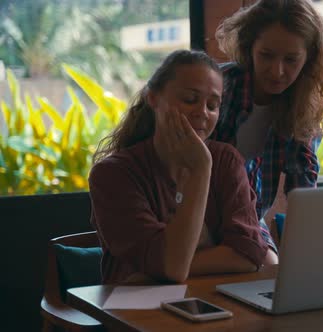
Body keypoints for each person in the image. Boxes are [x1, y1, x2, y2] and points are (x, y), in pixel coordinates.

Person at [89, 50, 273, 284]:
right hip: (136, 310)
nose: (202, 112)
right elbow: (172, 267)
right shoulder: (114, 174)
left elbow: (249, 254)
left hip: (213, 300)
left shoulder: (226, 159)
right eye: (189, 99)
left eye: (213, 105)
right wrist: (201, 170)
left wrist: (165, 268)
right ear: (153, 98)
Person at [213, 0, 323, 252]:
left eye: (291, 59)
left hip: (248, 223)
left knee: (272, 270)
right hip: (197, 218)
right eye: (266, 56)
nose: (277, 71)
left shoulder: (304, 107)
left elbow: (302, 188)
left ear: (309, 59)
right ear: (249, 47)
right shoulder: (220, 90)